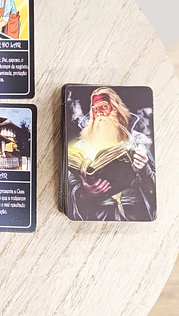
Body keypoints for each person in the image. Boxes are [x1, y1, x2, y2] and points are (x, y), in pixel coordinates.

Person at [67, 87, 156, 221]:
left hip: (135, 215)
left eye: (104, 106)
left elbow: (156, 187)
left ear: (116, 109)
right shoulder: (80, 148)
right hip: (97, 217)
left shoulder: (138, 141)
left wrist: (144, 169)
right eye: (94, 109)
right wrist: (85, 192)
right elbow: (70, 188)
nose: (99, 113)